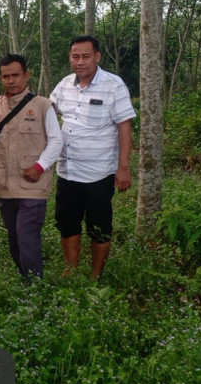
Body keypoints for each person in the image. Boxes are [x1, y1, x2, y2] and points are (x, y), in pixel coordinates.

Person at [48, 35, 135, 280]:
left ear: (97, 57)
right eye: (75, 56)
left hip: (99, 172)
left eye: (86, 56)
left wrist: (123, 168)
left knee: (99, 228)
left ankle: (95, 276)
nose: (80, 61)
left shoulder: (113, 84)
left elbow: (124, 125)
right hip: (67, 170)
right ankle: (71, 271)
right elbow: (47, 113)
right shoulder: (64, 84)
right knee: (68, 224)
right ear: (70, 58)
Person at [0, 54, 63, 279]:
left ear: (26, 75)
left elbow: (56, 140)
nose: (11, 80)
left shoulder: (43, 105)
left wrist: (40, 166)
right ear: (0, 78)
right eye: (6, 76)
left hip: (33, 185)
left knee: (27, 237)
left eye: (15, 75)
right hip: (5, 185)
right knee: (14, 239)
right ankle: (26, 280)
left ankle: (36, 288)